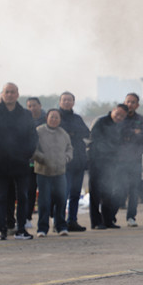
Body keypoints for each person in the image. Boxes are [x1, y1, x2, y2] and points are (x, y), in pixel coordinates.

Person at [0, 82, 38, 240]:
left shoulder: (25, 114)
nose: (10, 95)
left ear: (18, 95)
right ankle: (2, 230)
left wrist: (27, 154)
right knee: (1, 197)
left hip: (21, 162)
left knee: (23, 197)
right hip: (0, 162)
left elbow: (33, 137)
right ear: (3, 94)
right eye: (7, 92)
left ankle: (21, 230)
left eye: (13, 92)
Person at [88, 104, 129, 229]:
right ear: (113, 110)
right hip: (97, 162)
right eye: (118, 114)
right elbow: (95, 140)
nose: (119, 117)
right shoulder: (100, 122)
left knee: (109, 193)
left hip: (113, 164)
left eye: (122, 116)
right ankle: (95, 222)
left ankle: (108, 220)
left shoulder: (121, 127)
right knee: (95, 193)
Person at [33, 109, 73, 237]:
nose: (54, 120)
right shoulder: (39, 131)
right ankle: (42, 228)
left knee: (61, 199)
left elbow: (69, 148)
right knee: (44, 201)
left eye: (57, 118)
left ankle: (61, 226)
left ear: (60, 120)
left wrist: (67, 158)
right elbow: (33, 148)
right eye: (52, 117)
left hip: (60, 172)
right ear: (47, 118)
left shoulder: (63, 133)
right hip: (43, 172)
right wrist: (43, 159)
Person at [58, 91, 90, 232]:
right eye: (64, 100)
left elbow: (86, 132)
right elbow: (61, 133)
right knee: (63, 194)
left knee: (75, 194)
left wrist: (73, 133)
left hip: (79, 161)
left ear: (73, 102)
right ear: (60, 102)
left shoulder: (77, 118)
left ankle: (72, 220)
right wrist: (73, 133)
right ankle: (59, 221)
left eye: (69, 100)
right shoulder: (56, 117)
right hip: (63, 162)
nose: (66, 102)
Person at [122, 93, 143, 227]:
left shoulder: (142, 120)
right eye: (128, 101)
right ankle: (109, 217)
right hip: (118, 160)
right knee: (117, 188)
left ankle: (131, 217)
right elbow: (118, 134)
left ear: (137, 105)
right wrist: (133, 133)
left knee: (134, 188)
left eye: (133, 102)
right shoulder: (119, 117)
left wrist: (129, 135)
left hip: (135, 159)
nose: (130, 104)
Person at [26, 97, 47, 228]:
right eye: (29, 106)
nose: (32, 108)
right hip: (30, 161)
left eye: (34, 105)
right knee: (30, 190)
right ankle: (27, 217)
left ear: (40, 105)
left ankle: (48, 218)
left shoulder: (48, 119)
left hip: (46, 161)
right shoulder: (25, 121)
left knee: (46, 191)